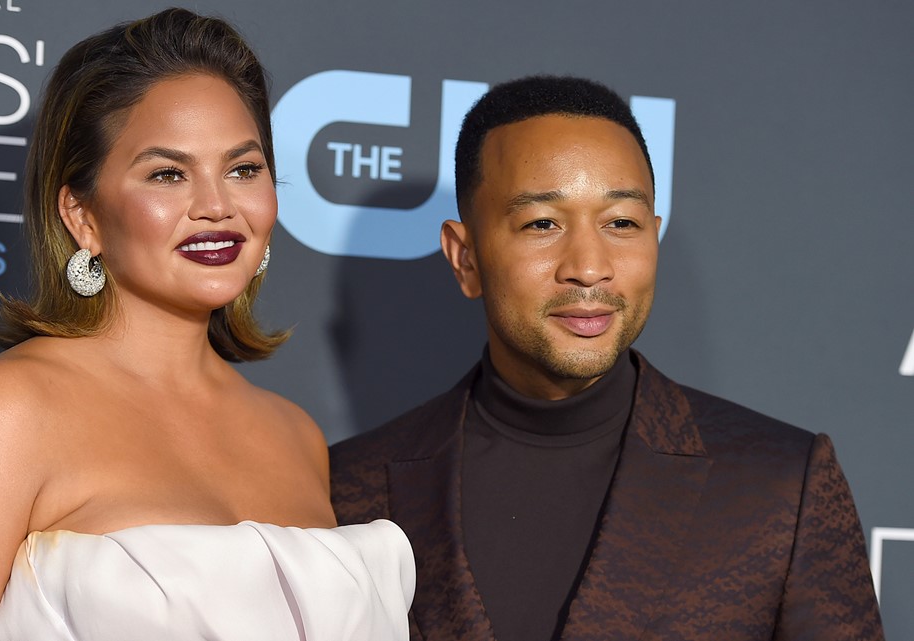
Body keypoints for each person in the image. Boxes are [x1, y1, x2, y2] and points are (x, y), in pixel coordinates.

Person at [0, 9, 413, 640]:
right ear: (83, 217)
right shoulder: (9, 412)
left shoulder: (295, 435)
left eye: (243, 169)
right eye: (167, 174)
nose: (217, 206)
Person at [330, 75, 884, 641]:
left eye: (621, 223)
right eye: (542, 223)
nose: (589, 267)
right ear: (465, 258)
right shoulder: (349, 489)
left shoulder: (782, 485)